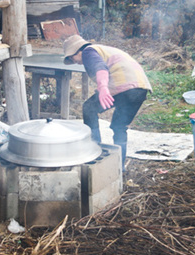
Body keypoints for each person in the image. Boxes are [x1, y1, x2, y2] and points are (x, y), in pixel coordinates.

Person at [63, 35, 152, 171]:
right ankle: (119, 167)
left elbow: (101, 68)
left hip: (124, 85)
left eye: (71, 58)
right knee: (119, 126)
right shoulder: (103, 50)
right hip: (141, 88)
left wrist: (103, 87)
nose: (74, 62)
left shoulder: (88, 51)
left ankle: (94, 150)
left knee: (89, 108)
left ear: (77, 51)